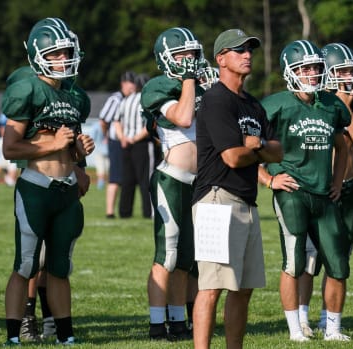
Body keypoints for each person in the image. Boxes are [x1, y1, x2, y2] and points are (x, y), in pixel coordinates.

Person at [1, 24, 94, 346]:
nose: (63, 58)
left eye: (66, 51)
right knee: (26, 264)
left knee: (59, 268)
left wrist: (80, 150)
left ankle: (65, 335)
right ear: (39, 55)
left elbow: (67, 146)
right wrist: (52, 144)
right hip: (37, 186)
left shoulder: (72, 95)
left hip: (66, 188)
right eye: (55, 52)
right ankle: (14, 334)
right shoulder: (27, 89)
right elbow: (10, 148)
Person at [192, 28, 282, 349]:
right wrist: (258, 149)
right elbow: (231, 156)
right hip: (217, 200)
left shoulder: (253, 104)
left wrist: (255, 147)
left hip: (246, 201)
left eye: (249, 50)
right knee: (212, 287)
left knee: (243, 288)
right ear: (221, 59)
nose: (247, 55)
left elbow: (277, 151)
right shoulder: (216, 100)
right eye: (239, 50)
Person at [258, 39, 351, 342]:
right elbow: (246, 146)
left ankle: (333, 329)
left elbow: (343, 146)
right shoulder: (275, 105)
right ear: (291, 71)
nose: (312, 72)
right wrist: (268, 179)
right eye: (305, 67)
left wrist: (338, 181)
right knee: (295, 262)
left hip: (324, 194)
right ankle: (296, 329)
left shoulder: (331, 105)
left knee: (338, 264)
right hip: (292, 191)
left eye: (316, 67)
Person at [294, 42, 353, 337]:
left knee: (338, 259)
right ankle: (302, 318)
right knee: (308, 260)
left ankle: (327, 318)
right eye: (342, 71)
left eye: (351, 70)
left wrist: (344, 104)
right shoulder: (314, 102)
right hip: (316, 188)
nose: (349, 76)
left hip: (347, 189)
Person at [141, 26, 205, 341]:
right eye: (183, 54)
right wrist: (190, 80)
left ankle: (179, 320)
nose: (190, 60)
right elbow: (183, 118)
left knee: (187, 258)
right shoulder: (157, 86)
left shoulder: (202, 85)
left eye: (193, 53)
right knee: (167, 253)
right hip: (172, 178)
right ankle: (156, 324)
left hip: (200, 181)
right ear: (167, 58)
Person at [113, 73, 155, 219]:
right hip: (141, 143)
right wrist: (135, 138)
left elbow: (116, 121)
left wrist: (123, 138)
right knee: (146, 180)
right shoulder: (147, 100)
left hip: (126, 143)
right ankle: (148, 212)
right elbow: (150, 124)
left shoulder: (126, 100)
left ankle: (125, 212)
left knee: (127, 181)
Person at [99, 71, 137, 218]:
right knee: (115, 176)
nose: (132, 86)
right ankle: (110, 211)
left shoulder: (131, 99)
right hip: (116, 141)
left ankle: (122, 210)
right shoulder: (116, 99)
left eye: (133, 83)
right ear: (123, 84)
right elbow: (103, 119)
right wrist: (106, 135)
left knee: (126, 177)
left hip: (127, 141)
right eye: (129, 83)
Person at [0, 113, 18, 186]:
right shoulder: (5, 115)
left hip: (8, 141)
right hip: (4, 141)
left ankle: (7, 179)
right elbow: (2, 128)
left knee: (10, 164)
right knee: (2, 161)